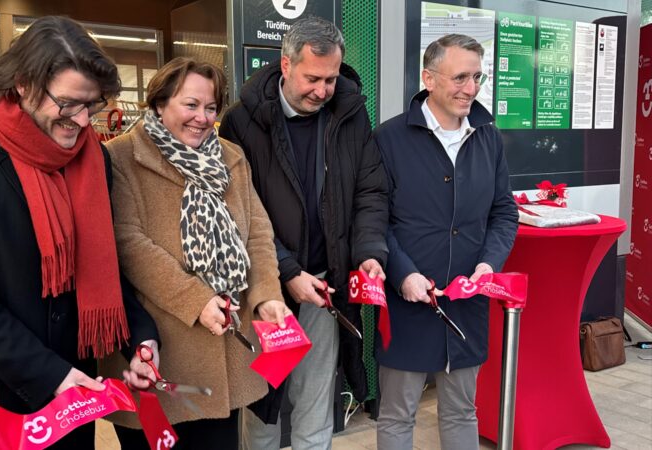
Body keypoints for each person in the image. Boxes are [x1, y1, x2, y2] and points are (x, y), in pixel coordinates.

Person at [0, 16, 159, 450]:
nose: (84, 121)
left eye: (93, 105)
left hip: (70, 393)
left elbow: (102, 267)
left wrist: (140, 339)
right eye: (69, 104)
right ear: (24, 84)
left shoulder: (94, 161)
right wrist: (49, 373)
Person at [102, 57, 291, 449]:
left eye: (210, 107)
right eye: (190, 105)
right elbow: (128, 243)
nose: (202, 118)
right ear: (159, 103)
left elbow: (257, 233)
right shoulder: (121, 157)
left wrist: (267, 296)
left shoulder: (232, 158)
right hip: (156, 348)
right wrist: (196, 299)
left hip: (225, 350)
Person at [219, 15, 389, 450]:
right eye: (313, 78)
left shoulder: (350, 114)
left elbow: (370, 190)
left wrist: (369, 251)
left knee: (317, 403)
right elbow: (239, 213)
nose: (322, 90)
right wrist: (285, 270)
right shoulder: (241, 122)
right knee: (263, 405)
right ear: (285, 64)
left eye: (331, 79)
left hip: (324, 287)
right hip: (266, 292)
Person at [372, 33, 519, 450]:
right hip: (408, 301)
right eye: (459, 78)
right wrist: (403, 275)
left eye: (477, 76)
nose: (470, 89)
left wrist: (489, 264)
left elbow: (503, 212)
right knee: (398, 413)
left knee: (461, 411)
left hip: (467, 302)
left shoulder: (488, 137)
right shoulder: (389, 139)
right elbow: (374, 219)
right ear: (429, 78)